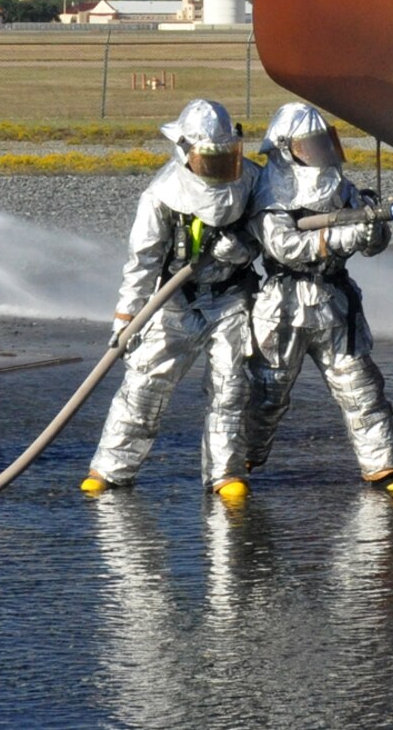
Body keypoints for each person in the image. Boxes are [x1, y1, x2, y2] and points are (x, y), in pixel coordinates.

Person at [82, 99, 260, 501]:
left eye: (225, 157)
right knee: (145, 383)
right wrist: (127, 319)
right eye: (209, 159)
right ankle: (110, 469)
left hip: (230, 297)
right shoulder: (160, 196)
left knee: (229, 387)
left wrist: (247, 244)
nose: (219, 168)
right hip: (174, 301)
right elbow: (142, 263)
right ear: (185, 152)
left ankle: (226, 473)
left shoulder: (250, 179)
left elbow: (275, 224)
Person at [245, 102, 393, 494]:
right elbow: (285, 246)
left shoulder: (339, 186)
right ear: (286, 149)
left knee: (361, 387)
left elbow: (370, 240)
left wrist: (373, 232)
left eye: (323, 144)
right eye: (310, 146)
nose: (320, 154)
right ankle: (237, 463)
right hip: (284, 304)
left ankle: (383, 467)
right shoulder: (270, 190)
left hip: (335, 302)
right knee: (268, 392)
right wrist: (345, 236)